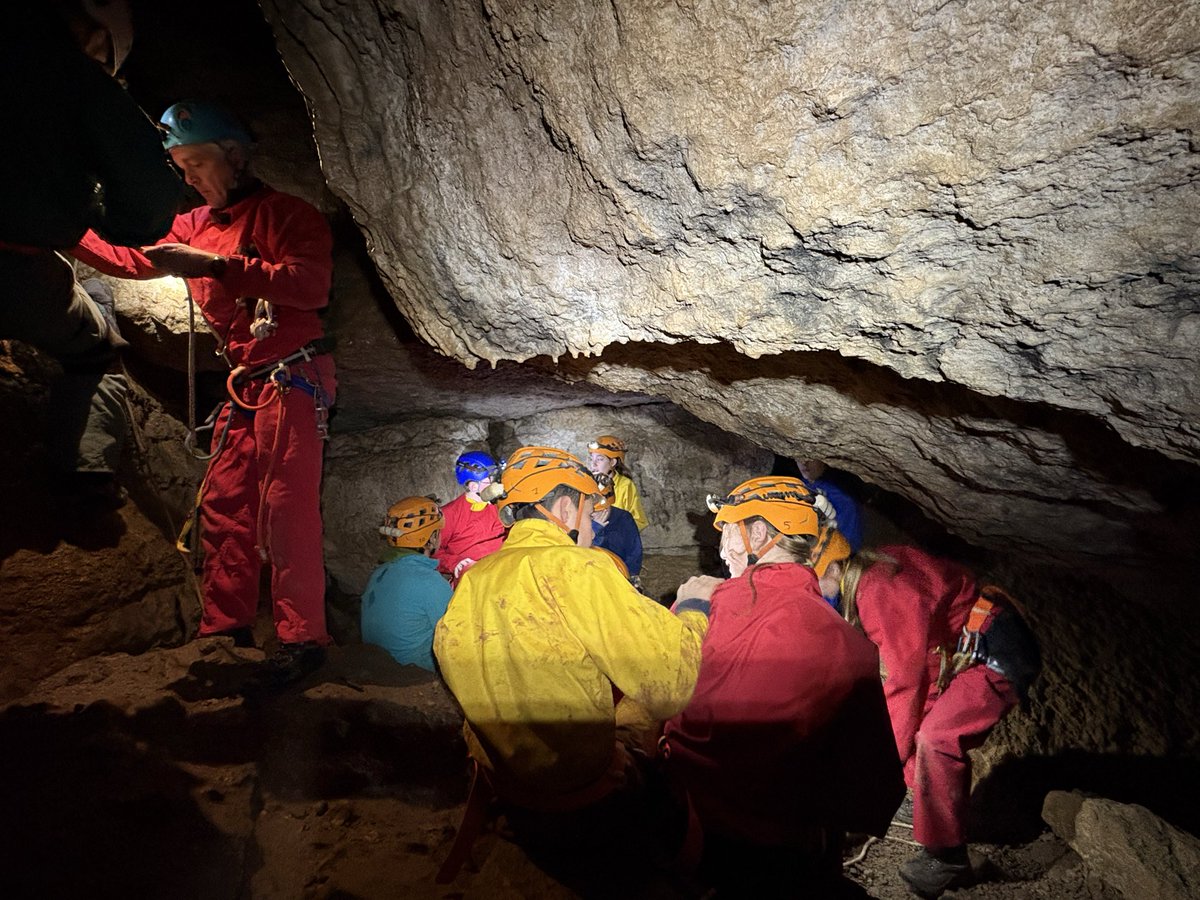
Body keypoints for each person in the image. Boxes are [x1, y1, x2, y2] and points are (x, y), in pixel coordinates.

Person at [72, 100, 337, 688]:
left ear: (234, 155)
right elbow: (134, 259)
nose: (188, 176)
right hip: (247, 382)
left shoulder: (288, 215)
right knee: (224, 504)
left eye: (196, 163)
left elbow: (309, 286)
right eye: (181, 166)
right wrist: (65, 227)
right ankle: (226, 629)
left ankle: (303, 639)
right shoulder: (193, 224)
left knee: (284, 506)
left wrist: (215, 266)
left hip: (294, 375)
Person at [433, 446, 709, 885]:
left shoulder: (475, 580)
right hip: (582, 799)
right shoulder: (580, 568)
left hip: (510, 789)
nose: (592, 523)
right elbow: (671, 684)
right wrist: (695, 609)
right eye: (588, 510)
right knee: (649, 717)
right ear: (564, 508)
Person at [661, 478, 904, 895]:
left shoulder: (704, 608)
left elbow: (650, 696)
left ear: (758, 533)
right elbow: (873, 788)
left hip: (692, 832)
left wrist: (688, 608)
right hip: (790, 850)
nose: (722, 548)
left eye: (728, 531)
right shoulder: (849, 644)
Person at [0, 1, 182, 505]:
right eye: (106, 60)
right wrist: (100, 217)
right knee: (94, 350)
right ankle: (85, 477)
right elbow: (148, 198)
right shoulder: (69, 74)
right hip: (14, 266)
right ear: (98, 34)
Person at [839, 545, 1041, 898]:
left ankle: (947, 856)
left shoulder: (878, 589)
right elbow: (924, 668)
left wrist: (884, 763)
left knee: (938, 737)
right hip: (962, 648)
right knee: (923, 721)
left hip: (994, 654)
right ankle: (921, 801)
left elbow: (905, 681)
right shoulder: (878, 564)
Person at [361, 497, 451, 671]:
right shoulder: (429, 581)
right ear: (431, 538)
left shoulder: (379, 574)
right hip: (415, 673)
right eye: (437, 532)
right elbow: (457, 634)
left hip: (378, 669)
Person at [433, 451, 506, 585]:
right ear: (473, 486)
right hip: (473, 578)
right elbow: (433, 552)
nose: (496, 485)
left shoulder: (499, 506)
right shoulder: (449, 514)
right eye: (490, 481)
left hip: (503, 568)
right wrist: (454, 563)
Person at [797, 458, 864, 552]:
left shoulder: (842, 496)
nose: (804, 462)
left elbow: (848, 545)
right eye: (797, 458)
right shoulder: (797, 485)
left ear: (824, 461)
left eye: (811, 459)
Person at [587, 434, 648, 529]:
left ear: (612, 462)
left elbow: (639, 521)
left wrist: (612, 528)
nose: (593, 464)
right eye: (592, 459)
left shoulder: (625, 486)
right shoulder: (586, 483)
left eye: (599, 459)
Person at [590, 471, 643, 580]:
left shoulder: (624, 519)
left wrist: (629, 576)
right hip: (593, 575)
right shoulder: (582, 519)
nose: (595, 513)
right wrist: (596, 529)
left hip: (621, 574)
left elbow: (634, 552)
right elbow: (582, 552)